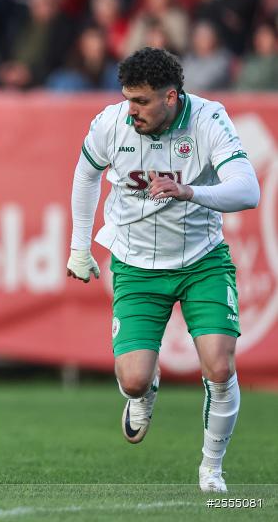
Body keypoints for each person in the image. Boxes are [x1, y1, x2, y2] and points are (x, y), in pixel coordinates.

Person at [67, 47, 260, 493]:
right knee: (132, 380)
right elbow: (85, 176)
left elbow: (247, 190)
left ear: (171, 97)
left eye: (141, 101)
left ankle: (211, 470)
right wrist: (80, 247)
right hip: (136, 264)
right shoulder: (111, 123)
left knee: (218, 365)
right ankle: (144, 391)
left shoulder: (210, 121)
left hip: (201, 261)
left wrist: (189, 191)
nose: (130, 110)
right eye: (128, 99)